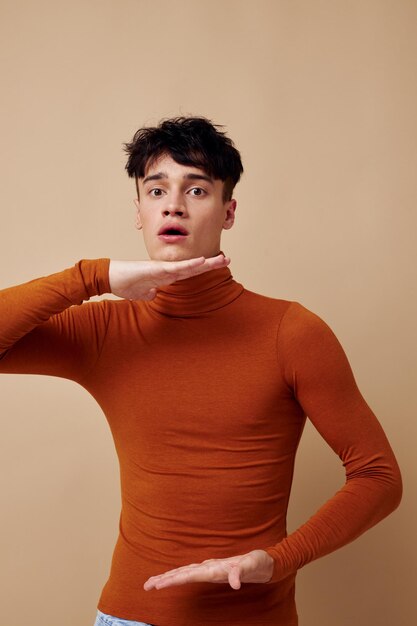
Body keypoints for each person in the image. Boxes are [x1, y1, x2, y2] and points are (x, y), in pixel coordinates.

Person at [0, 116, 402, 626]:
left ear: (228, 211)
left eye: (196, 189)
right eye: (156, 190)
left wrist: (279, 561)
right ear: (140, 213)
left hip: (253, 617)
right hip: (130, 617)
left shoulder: (291, 331)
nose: (174, 204)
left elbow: (378, 477)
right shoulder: (106, 329)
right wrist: (93, 275)